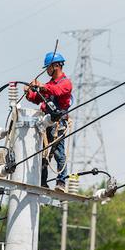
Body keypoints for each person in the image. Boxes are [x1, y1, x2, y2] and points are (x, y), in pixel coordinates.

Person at [25, 51, 73, 192]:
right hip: (46, 123)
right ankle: (43, 183)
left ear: (56, 66)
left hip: (58, 124)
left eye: (48, 67)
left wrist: (41, 86)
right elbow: (37, 98)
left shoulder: (65, 83)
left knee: (59, 154)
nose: (47, 70)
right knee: (43, 155)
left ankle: (61, 183)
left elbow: (57, 91)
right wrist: (29, 92)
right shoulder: (49, 84)